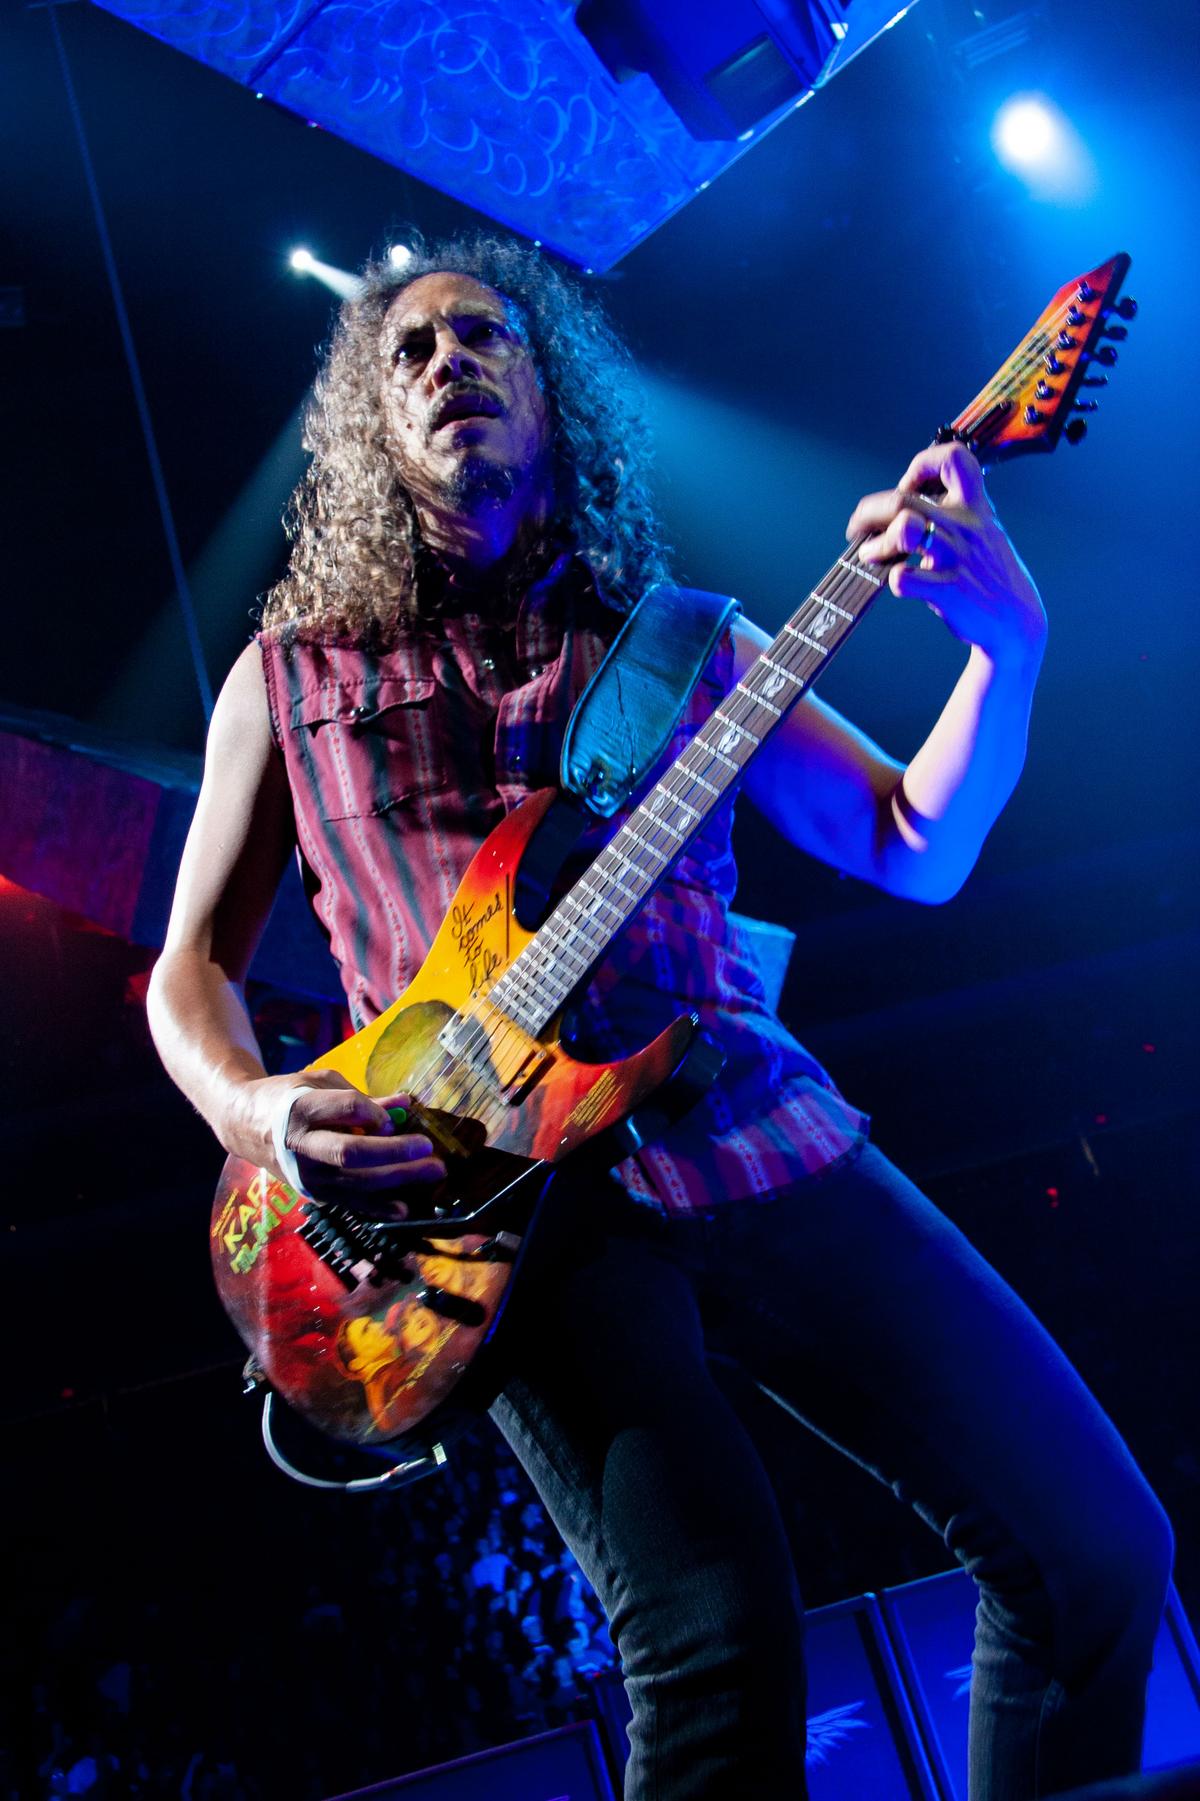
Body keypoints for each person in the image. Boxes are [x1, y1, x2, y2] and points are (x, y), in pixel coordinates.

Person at [147, 233, 1172, 1800]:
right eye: (409, 350)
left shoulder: (683, 644)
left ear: (550, 388)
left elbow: (913, 840)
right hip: (491, 1203)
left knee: (1097, 1550)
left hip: (746, 1120)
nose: (447, 361)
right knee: (715, 1641)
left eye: (484, 335)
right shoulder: (283, 683)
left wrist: (1007, 651)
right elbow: (187, 974)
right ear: (368, 422)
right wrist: (258, 1109)